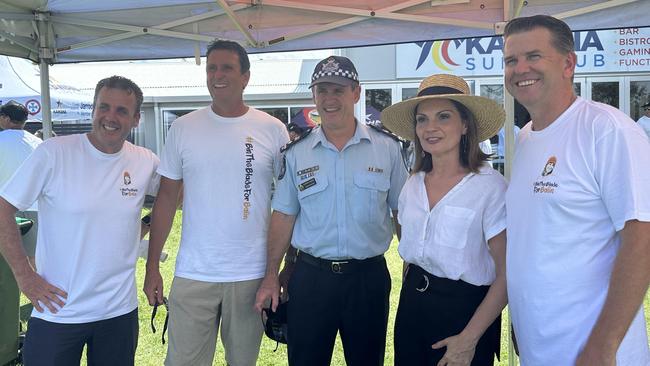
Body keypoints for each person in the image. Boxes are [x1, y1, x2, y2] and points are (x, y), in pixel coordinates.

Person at [503, 14, 650, 365]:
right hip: (539, 345)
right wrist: (523, 321)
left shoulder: (607, 129)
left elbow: (641, 237)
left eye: (534, 56)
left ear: (569, 63)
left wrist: (605, 346)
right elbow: (535, 240)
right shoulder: (525, 138)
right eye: (511, 60)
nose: (520, 68)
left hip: (594, 352)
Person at [254, 55, 409, 366]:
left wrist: (411, 266)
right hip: (311, 278)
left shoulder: (388, 148)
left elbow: (403, 213)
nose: (329, 98)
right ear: (313, 96)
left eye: (338, 90)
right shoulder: (296, 154)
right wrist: (272, 274)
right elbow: (283, 216)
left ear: (356, 92)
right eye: (322, 90)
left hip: (368, 278)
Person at [143, 39, 289, 366]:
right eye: (211, 68)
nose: (217, 75)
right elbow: (166, 199)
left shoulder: (272, 129)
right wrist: (153, 266)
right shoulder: (183, 127)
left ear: (246, 77)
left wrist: (281, 269)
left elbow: (289, 203)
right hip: (195, 272)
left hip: (251, 274)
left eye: (226, 68)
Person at [0, 75, 160, 365]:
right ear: (94, 109)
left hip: (118, 312)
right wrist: (25, 277)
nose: (110, 117)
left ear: (136, 119)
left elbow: (175, 194)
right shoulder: (54, 152)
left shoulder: (145, 160)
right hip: (58, 310)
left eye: (122, 111)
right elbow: (2, 209)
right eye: (104, 107)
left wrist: (145, 224)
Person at [381, 74, 507, 365]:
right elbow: (411, 250)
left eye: (443, 116)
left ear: (465, 125)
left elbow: (507, 274)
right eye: (422, 119)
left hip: (465, 314)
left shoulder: (489, 187)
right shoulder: (413, 183)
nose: (430, 128)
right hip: (413, 308)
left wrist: (469, 338)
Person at [0, 101, 42, 267]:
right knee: (37, 260)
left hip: (5, 208)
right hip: (35, 206)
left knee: (8, 263)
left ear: (5, 118)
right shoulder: (39, 143)